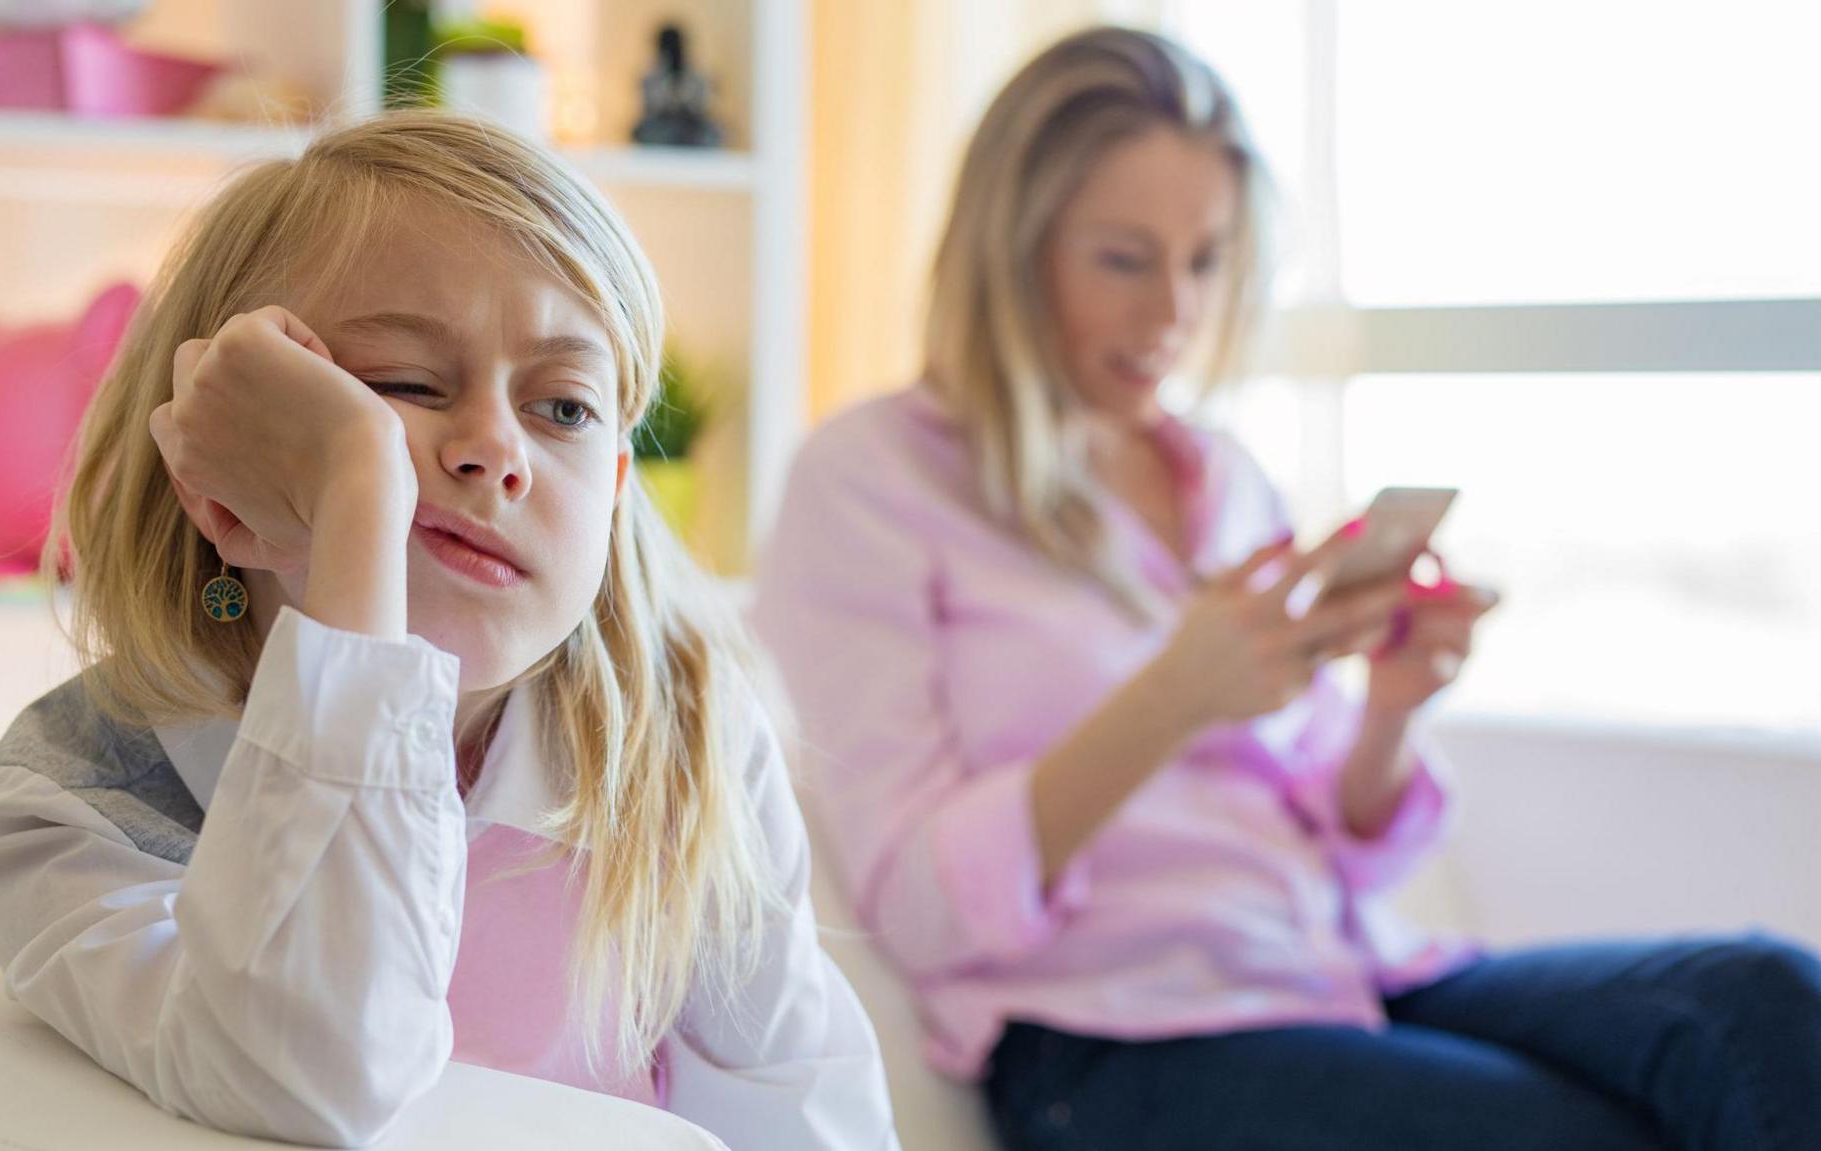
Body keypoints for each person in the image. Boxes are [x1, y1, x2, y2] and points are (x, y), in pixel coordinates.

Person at [753, 26, 1821, 1151]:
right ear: (1008, 251)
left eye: (1205, 260)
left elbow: (1334, 828)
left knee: (1761, 999)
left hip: (1337, 968)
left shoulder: (1220, 474)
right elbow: (916, 906)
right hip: (1115, 1037)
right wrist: (1169, 696)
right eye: (1122, 258)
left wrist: (1389, 709)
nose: (1171, 311)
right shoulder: (869, 477)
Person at [0, 111, 896, 1150]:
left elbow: (806, 1118)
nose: (496, 449)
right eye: (401, 383)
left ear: (616, 490)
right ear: (217, 464)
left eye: (565, 409)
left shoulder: (685, 743)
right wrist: (358, 501)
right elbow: (313, 1074)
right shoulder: (78, 796)